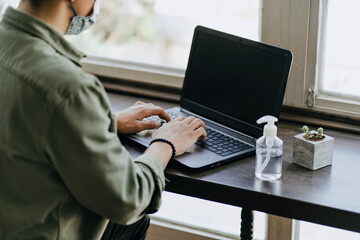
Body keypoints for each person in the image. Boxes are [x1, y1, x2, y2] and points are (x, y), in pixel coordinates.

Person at [0, 0, 207, 239]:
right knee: (133, 221)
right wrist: (165, 143)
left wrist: (102, 120)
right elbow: (128, 199)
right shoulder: (67, 88)